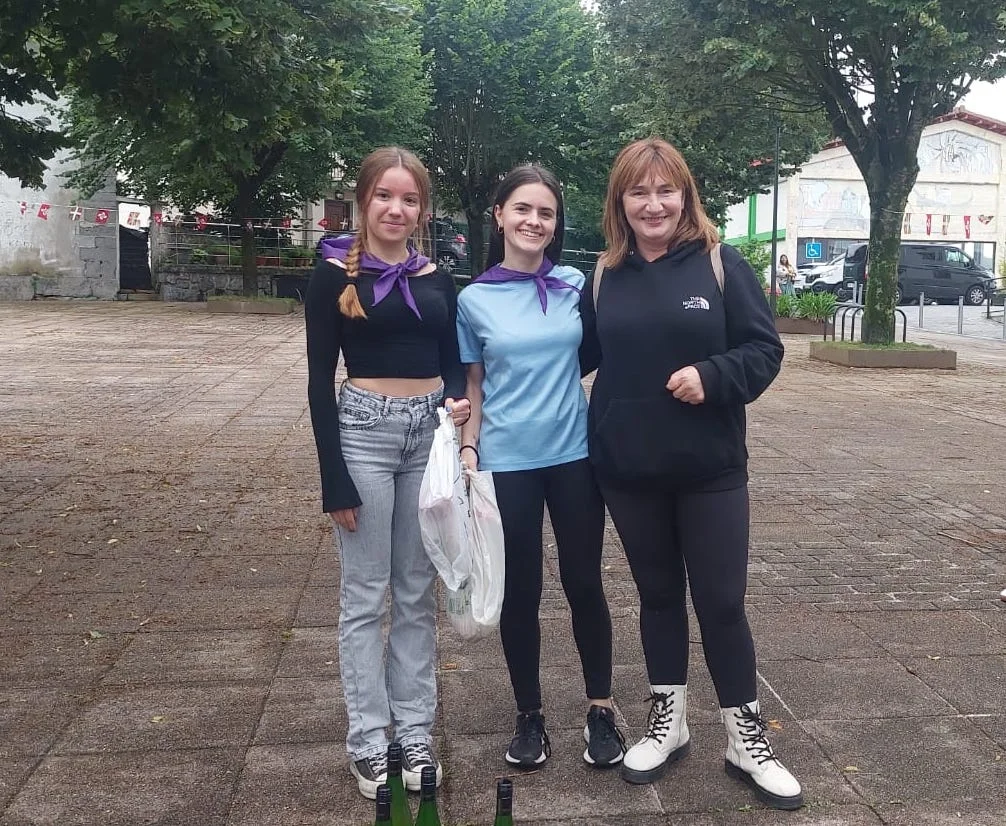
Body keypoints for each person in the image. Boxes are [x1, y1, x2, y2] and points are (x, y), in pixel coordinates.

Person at [579, 138, 803, 810]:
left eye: (665, 190)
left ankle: (745, 738)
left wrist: (714, 375)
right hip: (628, 470)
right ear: (620, 201)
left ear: (685, 195)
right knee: (657, 598)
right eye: (638, 192)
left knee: (722, 603)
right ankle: (668, 723)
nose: (653, 204)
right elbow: (567, 356)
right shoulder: (603, 276)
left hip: (711, 470)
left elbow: (764, 349)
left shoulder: (719, 264)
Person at [305, 146, 471, 800]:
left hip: (428, 437)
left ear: (422, 210)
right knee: (364, 595)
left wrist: (455, 402)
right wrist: (334, 479)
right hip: (363, 436)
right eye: (384, 196)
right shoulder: (330, 276)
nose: (396, 209)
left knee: (415, 592)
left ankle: (415, 733)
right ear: (363, 200)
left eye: (409, 199)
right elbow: (319, 381)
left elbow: (452, 359)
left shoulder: (437, 277)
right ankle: (370, 741)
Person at [456, 164, 625, 771]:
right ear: (500, 215)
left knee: (585, 583)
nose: (534, 221)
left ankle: (600, 708)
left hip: (574, 455)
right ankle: (529, 715)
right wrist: (469, 450)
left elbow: (594, 354)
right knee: (521, 592)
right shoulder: (473, 299)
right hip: (507, 462)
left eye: (546, 213)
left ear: (556, 225)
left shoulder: (576, 284)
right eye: (523, 209)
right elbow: (474, 383)